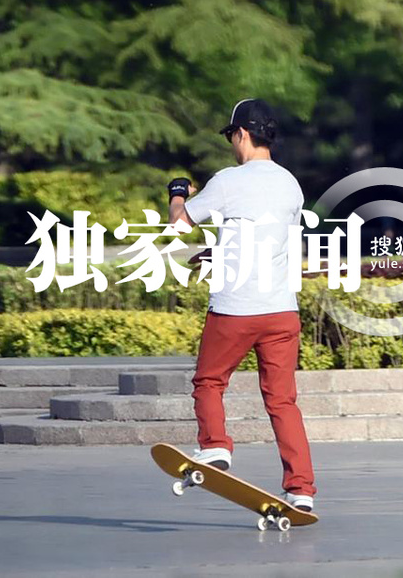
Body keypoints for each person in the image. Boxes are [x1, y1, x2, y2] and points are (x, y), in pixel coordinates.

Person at [165, 98, 317, 512]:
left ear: (242, 134)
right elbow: (270, 240)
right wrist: (219, 252)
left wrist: (177, 193)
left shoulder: (229, 180)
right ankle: (301, 488)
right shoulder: (290, 184)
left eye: (232, 135)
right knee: (282, 401)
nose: (232, 144)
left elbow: (178, 225)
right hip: (281, 311)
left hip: (236, 309)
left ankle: (215, 446)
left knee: (209, 382)